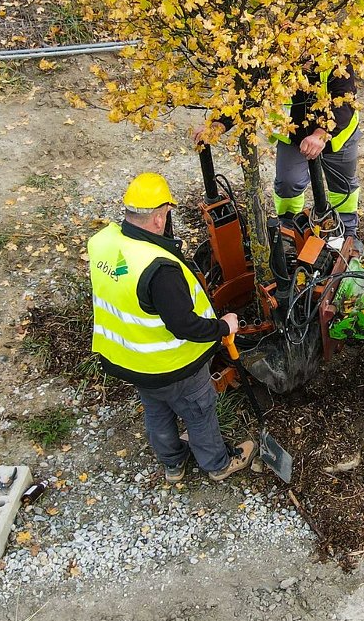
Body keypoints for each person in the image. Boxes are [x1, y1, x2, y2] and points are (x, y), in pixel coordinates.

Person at [88, 172, 255, 484]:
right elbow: (185, 325)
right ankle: (217, 464)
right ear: (157, 218)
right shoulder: (159, 268)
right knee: (198, 410)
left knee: (156, 411)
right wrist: (222, 327)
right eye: (166, 215)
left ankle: (173, 466)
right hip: (173, 365)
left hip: (130, 360)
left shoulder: (103, 244)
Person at [275, 64, 361, 240]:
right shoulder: (275, 52)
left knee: (342, 186)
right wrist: (217, 125)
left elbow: (345, 100)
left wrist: (321, 133)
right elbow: (245, 93)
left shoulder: (334, 52)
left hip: (337, 134)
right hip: (293, 134)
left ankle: (347, 233)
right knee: (288, 182)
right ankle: (290, 229)